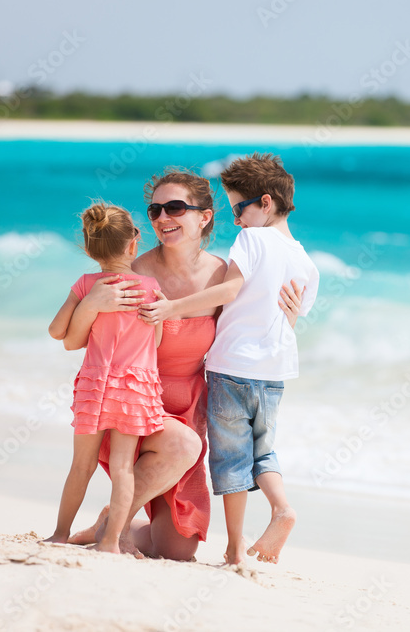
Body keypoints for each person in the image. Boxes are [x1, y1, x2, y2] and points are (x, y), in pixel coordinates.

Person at [62, 169, 303, 561]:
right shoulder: (134, 274)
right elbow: (76, 341)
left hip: (188, 409)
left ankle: (108, 520)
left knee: (176, 549)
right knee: (181, 444)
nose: (162, 218)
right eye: (154, 210)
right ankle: (115, 528)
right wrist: (90, 305)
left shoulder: (225, 276)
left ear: (205, 216)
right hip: (132, 407)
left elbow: (253, 334)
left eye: (174, 208)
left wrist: (288, 318)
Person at [139, 153, 319, 565]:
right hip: (275, 372)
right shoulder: (307, 260)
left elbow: (229, 291)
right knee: (263, 452)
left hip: (233, 367)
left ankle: (236, 548)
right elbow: (293, 313)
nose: (236, 220)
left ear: (266, 203)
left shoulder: (252, 240)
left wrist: (171, 309)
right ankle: (282, 507)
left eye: (240, 208)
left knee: (230, 460)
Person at [45, 203, 165, 554]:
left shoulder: (86, 284)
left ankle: (59, 534)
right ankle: (111, 541)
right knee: (124, 467)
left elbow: (58, 333)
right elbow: (155, 343)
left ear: (88, 249)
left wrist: (88, 304)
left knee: (80, 466)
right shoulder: (150, 287)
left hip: (95, 385)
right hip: (135, 388)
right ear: (133, 244)